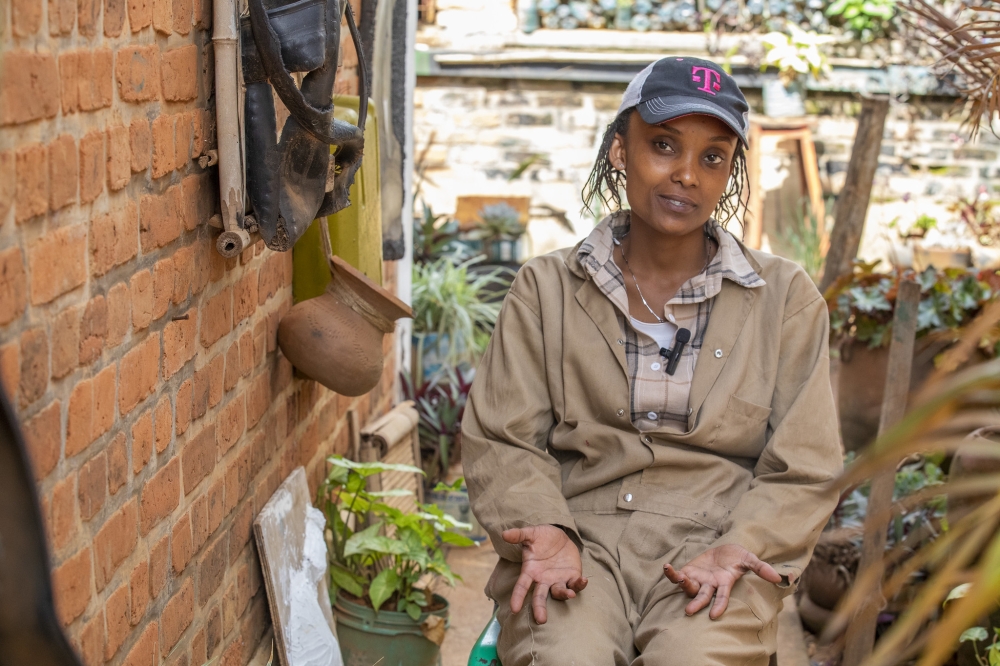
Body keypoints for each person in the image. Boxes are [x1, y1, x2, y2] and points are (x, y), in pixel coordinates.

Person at [462, 56, 843, 665]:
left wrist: (746, 542)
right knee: (564, 655)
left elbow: (806, 464)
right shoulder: (546, 289)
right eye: (664, 145)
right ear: (620, 150)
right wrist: (545, 528)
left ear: (728, 174)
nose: (687, 175)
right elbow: (502, 437)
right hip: (579, 540)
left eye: (712, 157)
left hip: (718, 545)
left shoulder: (786, 300)